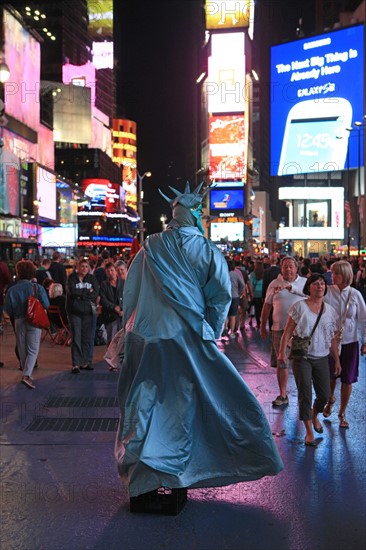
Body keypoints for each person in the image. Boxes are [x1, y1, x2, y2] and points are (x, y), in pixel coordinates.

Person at [115, 182, 283, 508]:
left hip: (145, 339)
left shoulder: (148, 247)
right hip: (185, 338)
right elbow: (220, 297)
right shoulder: (206, 250)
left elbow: (130, 292)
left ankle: (144, 483)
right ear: (195, 214)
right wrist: (210, 330)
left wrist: (129, 329)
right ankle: (179, 475)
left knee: (143, 407)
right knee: (186, 408)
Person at [277, 274, 341, 446]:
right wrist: (282, 352)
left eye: (322, 284)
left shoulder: (330, 311)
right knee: (304, 394)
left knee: (325, 395)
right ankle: (309, 432)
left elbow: (333, 338)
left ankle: (314, 416)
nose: (320, 286)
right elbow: (288, 332)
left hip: (322, 357)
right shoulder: (299, 307)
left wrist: (336, 359)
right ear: (308, 287)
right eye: (315, 284)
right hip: (301, 358)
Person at [322, 260, 366, 428]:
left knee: (347, 379)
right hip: (329, 343)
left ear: (345, 275)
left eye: (336, 274)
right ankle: (330, 399)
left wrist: (365, 342)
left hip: (350, 342)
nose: (333, 276)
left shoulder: (355, 295)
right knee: (331, 376)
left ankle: (342, 412)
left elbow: (363, 319)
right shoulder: (326, 292)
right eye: (332, 273)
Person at [260, 256, 307, 406]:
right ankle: (283, 394)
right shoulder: (274, 284)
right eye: (285, 266)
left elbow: (311, 298)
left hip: (300, 331)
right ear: (281, 268)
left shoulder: (304, 283)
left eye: (291, 266)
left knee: (301, 364)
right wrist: (262, 326)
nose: (288, 269)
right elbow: (267, 305)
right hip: (279, 329)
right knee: (282, 362)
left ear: (296, 268)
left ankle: (303, 395)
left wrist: (290, 288)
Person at [4, 260, 49, 389]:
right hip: (34, 321)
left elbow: (8, 309)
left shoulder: (12, 290)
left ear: (18, 273)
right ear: (32, 273)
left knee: (22, 348)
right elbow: (46, 304)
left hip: (18, 320)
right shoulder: (37, 287)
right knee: (33, 350)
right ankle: (26, 375)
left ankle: (26, 374)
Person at [66, 258, 99, 373]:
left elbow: (95, 292)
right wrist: (87, 292)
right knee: (76, 337)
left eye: (86, 267)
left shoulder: (92, 278)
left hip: (89, 311)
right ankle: (76, 364)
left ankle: (86, 362)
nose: (84, 269)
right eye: (82, 266)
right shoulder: (71, 278)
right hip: (74, 311)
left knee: (87, 337)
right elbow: (73, 292)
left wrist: (82, 295)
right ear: (77, 267)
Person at [99, 262, 124, 370]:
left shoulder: (123, 283)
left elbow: (128, 296)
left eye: (112, 270)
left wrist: (121, 308)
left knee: (122, 340)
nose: (110, 273)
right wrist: (114, 307)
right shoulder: (104, 285)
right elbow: (103, 300)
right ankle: (111, 362)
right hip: (110, 316)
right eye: (108, 271)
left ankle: (121, 361)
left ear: (116, 271)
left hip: (122, 315)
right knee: (111, 339)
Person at [225, 259, 245, 338]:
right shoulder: (236, 274)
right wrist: (239, 292)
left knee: (225, 313)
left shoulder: (224, 274)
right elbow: (242, 285)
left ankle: (225, 328)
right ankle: (232, 332)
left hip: (225, 296)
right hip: (235, 296)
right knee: (233, 315)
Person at [249, 260, 264, 329]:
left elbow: (251, 285)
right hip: (263, 293)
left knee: (257, 310)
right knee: (263, 309)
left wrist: (251, 293)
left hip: (256, 293)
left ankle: (258, 323)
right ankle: (263, 322)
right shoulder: (264, 273)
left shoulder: (253, 274)